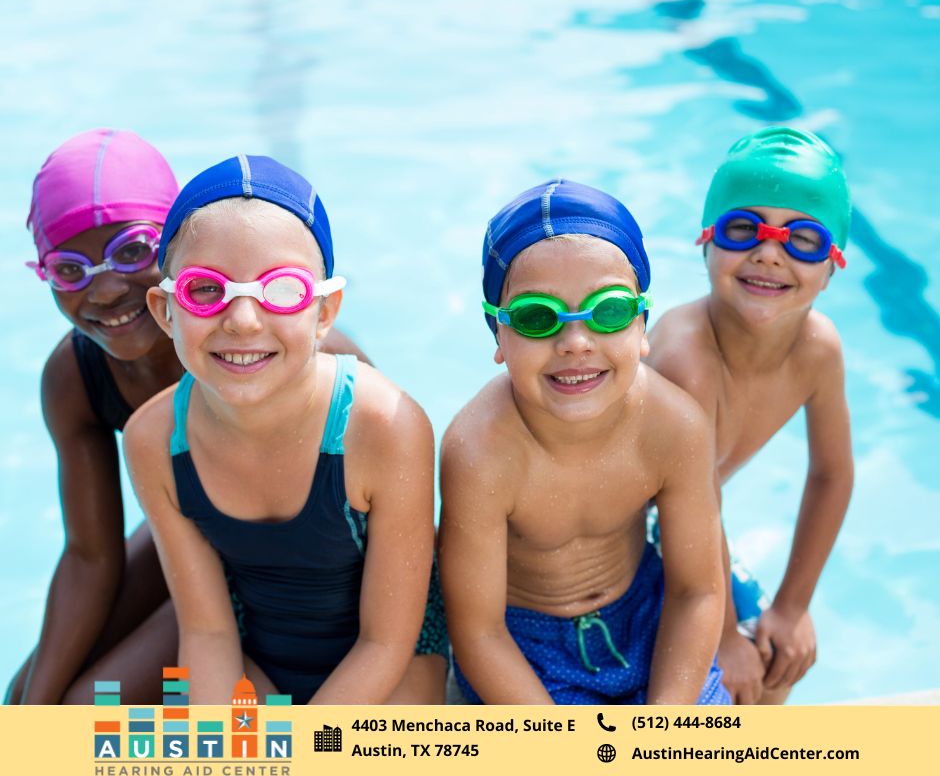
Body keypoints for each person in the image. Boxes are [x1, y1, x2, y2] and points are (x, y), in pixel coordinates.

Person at [7, 130, 370, 705]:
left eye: (131, 251)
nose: (104, 289)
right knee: (27, 695)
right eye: (69, 268)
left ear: (176, 250)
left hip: (290, 572)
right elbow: (89, 554)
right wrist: (27, 722)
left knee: (82, 710)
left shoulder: (286, 356)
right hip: (190, 542)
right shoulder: (76, 376)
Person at [124, 155, 438, 704]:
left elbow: (386, 643)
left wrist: (300, 750)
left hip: (391, 666)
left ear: (324, 311)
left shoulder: (384, 427)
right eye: (205, 290)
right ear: (165, 309)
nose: (243, 320)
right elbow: (207, 632)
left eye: (282, 290)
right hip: (251, 656)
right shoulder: (153, 441)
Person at [439, 179, 728, 704]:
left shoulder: (674, 424)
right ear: (497, 335)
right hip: (525, 649)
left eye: (609, 311)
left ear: (642, 324)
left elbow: (697, 592)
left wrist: (667, 726)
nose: (575, 342)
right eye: (536, 317)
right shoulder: (480, 452)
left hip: (647, 620)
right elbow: (479, 631)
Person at [646, 126, 854, 704]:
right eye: (745, 230)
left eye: (803, 239)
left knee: (772, 665)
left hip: (687, 527)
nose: (769, 252)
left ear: (833, 263)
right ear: (706, 241)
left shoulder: (819, 349)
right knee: (729, 683)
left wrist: (793, 606)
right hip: (625, 541)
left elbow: (832, 474)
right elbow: (688, 500)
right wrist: (718, 638)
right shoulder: (687, 354)